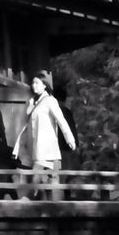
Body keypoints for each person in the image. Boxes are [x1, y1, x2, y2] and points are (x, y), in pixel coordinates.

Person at [13, 71, 76, 200]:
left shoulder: (50, 101)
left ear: (44, 85)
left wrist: (70, 138)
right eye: (33, 83)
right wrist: (30, 107)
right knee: (45, 180)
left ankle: (31, 200)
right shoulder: (36, 103)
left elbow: (61, 120)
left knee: (38, 177)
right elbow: (27, 123)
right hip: (38, 147)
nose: (34, 85)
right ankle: (49, 205)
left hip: (47, 147)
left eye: (37, 83)